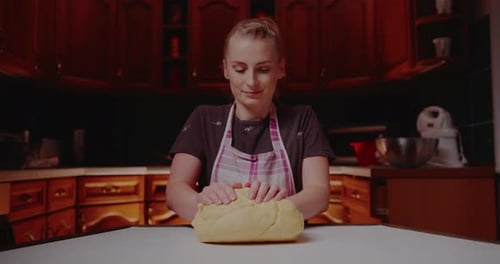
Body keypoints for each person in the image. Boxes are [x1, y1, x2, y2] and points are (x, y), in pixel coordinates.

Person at [166, 17, 334, 221]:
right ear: (226, 69)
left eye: (263, 69)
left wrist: (264, 213)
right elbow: (175, 192)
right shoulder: (204, 119)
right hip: (217, 248)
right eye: (240, 69)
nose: (251, 81)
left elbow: (319, 194)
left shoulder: (302, 120)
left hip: (286, 248)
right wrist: (203, 201)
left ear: (281, 68)